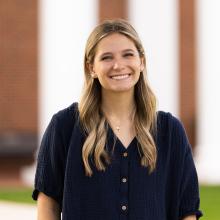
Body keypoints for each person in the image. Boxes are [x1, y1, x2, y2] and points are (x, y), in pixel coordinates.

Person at [33, 19, 203, 220]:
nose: (118, 65)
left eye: (128, 55)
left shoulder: (170, 131)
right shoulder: (64, 126)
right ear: (91, 68)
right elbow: (48, 204)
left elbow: (187, 211)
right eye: (106, 57)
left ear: (141, 61)